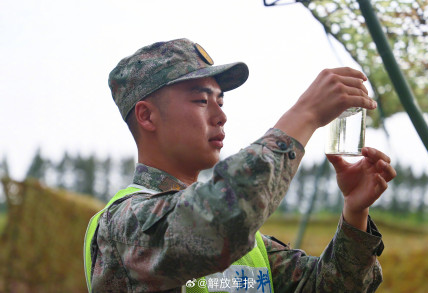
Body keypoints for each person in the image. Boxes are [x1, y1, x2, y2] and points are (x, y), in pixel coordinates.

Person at [84, 38, 396, 292]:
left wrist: (355, 212)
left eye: (220, 102)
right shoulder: (122, 225)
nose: (220, 116)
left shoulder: (252, 247)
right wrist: (304, 116)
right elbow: (218, 218)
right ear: (147, 116)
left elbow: (328, 286)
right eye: (201, 101)